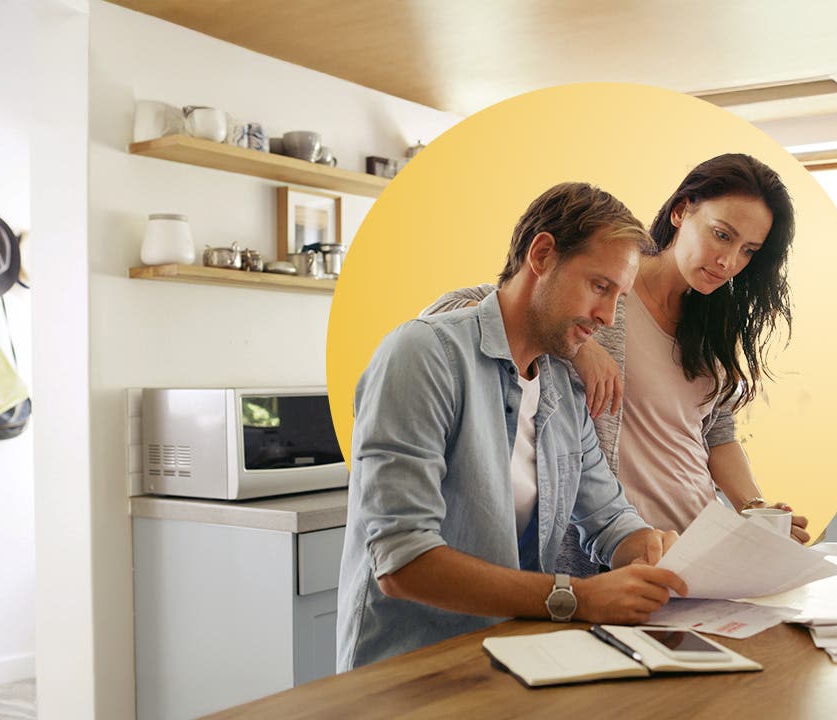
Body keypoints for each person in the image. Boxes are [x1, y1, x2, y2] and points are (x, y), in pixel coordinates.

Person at [337, 182, 688, 671]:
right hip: (407, 674)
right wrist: (578, 597)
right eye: (599, 286)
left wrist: (648, 549)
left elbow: (608, 518)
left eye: (618, 296)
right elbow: (402, 560)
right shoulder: (423, 355)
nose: (606, 317)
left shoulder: (562, 388)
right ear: (542, 254)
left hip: (508, 661)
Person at [426, 154, 810, 577]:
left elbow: (716, 433)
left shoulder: (713, 324)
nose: (729, 262)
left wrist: (755, 511)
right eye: (722, 235)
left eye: (748, 251)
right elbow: (462, 310)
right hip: (609, 554)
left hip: (696, 549)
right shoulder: (603, 285)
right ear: (682, 211)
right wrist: (580, 348)